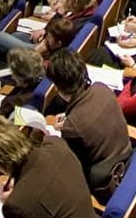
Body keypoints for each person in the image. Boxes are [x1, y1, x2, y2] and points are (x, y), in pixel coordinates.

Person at [45, 49, 131, 193]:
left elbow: (72, 166)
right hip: (126, 155)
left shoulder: (74, 127)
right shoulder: (102, 89)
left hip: (103, 180)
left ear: (59, 88)